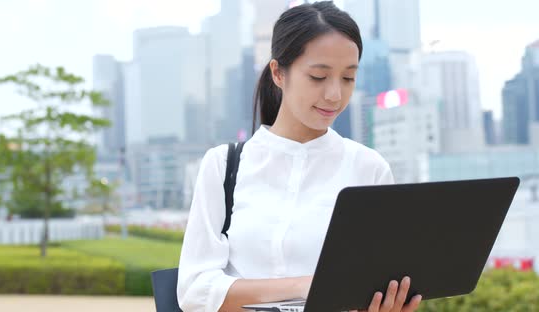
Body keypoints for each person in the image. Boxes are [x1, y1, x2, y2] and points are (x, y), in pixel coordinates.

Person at [177, 1, 422, 311]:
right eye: (318, 77)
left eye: (348, 78)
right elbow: (194, 291)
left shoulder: (369, 168)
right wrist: (307, 286)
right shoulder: (223, 165)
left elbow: (377, 280)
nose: (334, 94)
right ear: (279, 73)